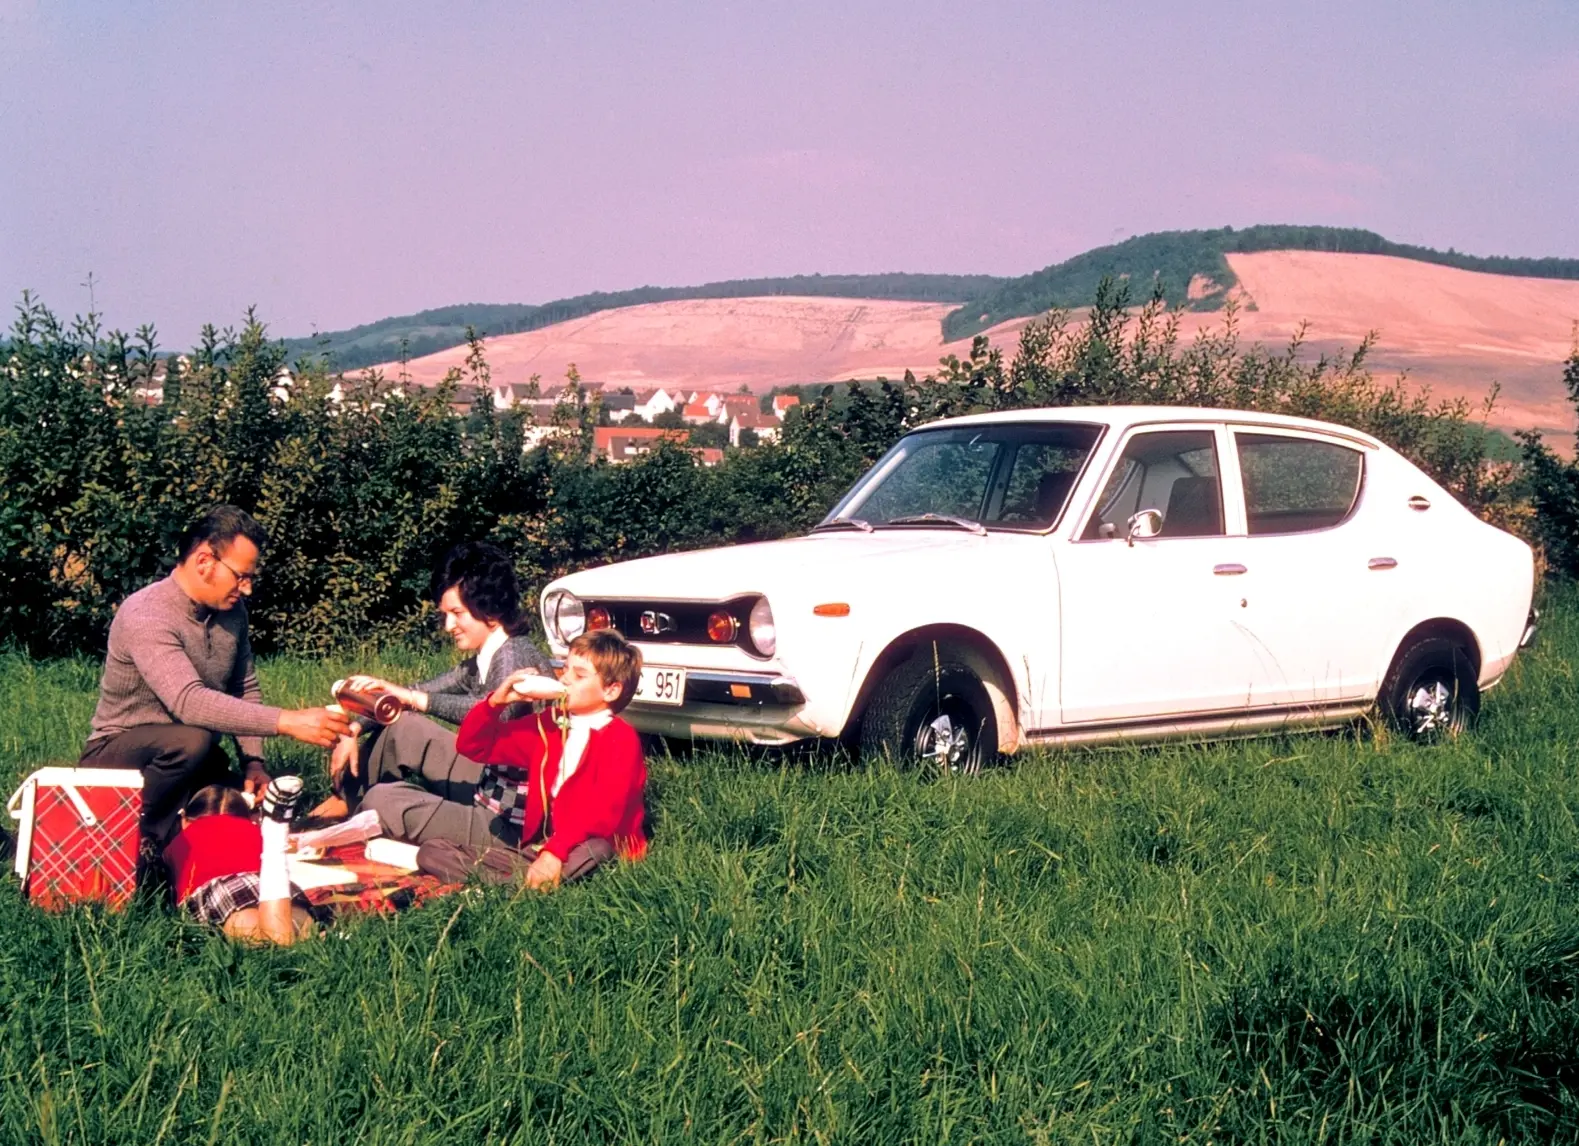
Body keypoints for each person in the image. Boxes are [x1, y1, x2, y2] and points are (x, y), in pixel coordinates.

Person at [78, 506, 351, 867]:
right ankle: (139, 847)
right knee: (192, 739)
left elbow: (244, 686)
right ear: (204, 561)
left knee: (246, 815)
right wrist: (288, 721)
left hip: (191, 756)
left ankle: (176, 835)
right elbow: (188, 702)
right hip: (118, 758)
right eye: (241, 576)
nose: (248, 588)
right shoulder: (146, 613)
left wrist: (254, 763)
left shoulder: (232, 613)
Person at [375, 628, 647, 890]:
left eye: (579, 676)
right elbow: (475, 746)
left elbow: (602, 813)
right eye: (565, 669)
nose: (564, 679)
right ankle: (520, 883)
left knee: (596, 849)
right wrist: (495, 704)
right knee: (431, 853)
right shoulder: (549, 725)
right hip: (542, 843)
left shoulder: (621, 740)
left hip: (588, 842)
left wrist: (555, 852)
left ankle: (517, 882)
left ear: (610, 691)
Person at [313, 542, 552, 819]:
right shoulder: (485, 658)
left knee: (388, 800)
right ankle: (344, 801)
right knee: (402, 726)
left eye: (457, 613)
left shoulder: (514, 657)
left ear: (491, 609)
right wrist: (355, 727)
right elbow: (414, 693)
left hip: (514, 806)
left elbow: (494, 711)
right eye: (445, 615)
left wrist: (414, 699)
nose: (448, 626)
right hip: (490, 778)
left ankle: (351, 808)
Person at [163, 777, 314, 944]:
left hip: (219, 890)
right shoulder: (255, 830)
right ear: (250, 819)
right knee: (299, 933)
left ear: (185, 819)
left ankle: (276, 832)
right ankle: (276, 832)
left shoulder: (180, 841)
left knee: (273, 942)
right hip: (267, 883)